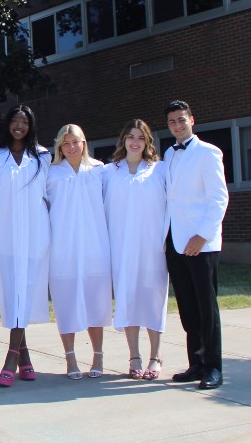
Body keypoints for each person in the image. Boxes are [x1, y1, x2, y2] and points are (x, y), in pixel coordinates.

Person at [163, 100, 228, 390]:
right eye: (172, 122)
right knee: (188, 308)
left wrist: (201, 236)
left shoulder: (209, 153)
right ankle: (196, 363)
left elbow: (219, 198)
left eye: (181, 120)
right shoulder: (169, 154)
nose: (177, 125)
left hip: (201, 243)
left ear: (192, 120)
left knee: (207, 308)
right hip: (176, 243)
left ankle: (214, 367)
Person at [0, 105, 50, 387]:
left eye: (24, 122)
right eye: (15, 121)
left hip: (35, 233)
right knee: (12, 291)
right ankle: (23, 355)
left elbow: (49, 195)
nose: (19, 126)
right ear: (8, 124)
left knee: (28, 290)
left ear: (31, 125)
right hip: (6, 232)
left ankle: (12, 356)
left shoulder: (44, 157)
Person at [104, 119, 168, 380]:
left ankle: (155, 356)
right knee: (128, 299)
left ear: (147, 142)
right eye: (130, 136)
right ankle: (134, 356)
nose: (135, 141)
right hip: (121, 247)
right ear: (123, 140)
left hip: (153, 247)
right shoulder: (109, 172)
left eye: (140, 137)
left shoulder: (160, 170)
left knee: (153, 300)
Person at [47, 124, 112, 380]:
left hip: (95, 246)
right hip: (63, 248)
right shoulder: (51, 174)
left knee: (96, 303)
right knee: (66, 303)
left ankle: (98, 356)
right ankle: (71, 358)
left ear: (84, 143)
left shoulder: (100, 171)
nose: (71, 147)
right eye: (66, 143)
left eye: (76, 142)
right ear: (59, 147)